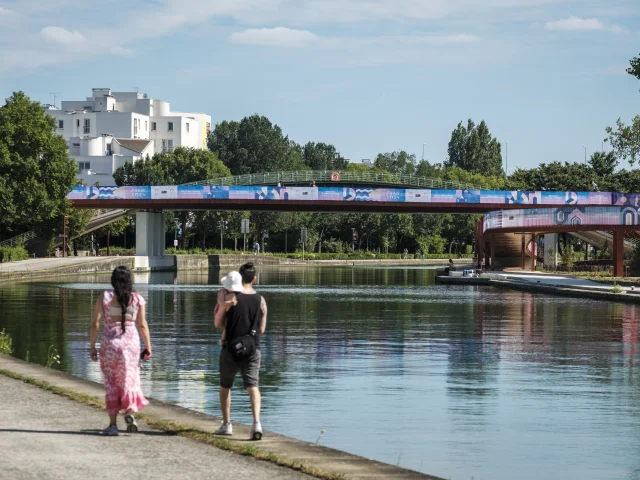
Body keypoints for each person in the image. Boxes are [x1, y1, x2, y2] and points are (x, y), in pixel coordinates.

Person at [90, 266, 152, 436]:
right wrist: (148, 346)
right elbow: (142, 325)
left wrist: (92, 347)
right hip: (130, 345)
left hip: (110, 344)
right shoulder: (137, 299)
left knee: (111, 383)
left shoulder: (105, 297)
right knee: (129, 380)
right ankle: (130, 412)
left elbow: (95, 324)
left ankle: (112, 425)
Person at [214, 263, 267, 440]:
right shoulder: (261, 300)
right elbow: (262, 329)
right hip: (252, 348)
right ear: (254, 279)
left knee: (225, 386)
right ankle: (257, 423)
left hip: (230, 348)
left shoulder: (230, 298)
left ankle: (226, 424)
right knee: (253, 386)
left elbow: (219, 324)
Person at [214, 271, 243, 345]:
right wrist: (230, 302)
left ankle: (222, 340)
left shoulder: (228, 294)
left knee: (227, 325)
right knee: (226, 325)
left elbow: (217, 324)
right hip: (219, 308)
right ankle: (222, 340)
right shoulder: (222, 292)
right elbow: (220, 302)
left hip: (223, 310)